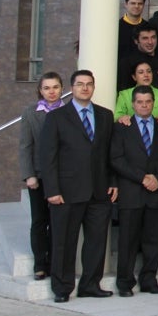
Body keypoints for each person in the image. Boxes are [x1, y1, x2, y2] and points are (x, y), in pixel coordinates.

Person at [37, 70, 117, 303]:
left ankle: (90, 284)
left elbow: (109, 154)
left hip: (99, 191)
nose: (85, 88)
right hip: (66, 192)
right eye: (80, 84)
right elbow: (47, 157)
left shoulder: (105, 116)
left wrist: (112, 182)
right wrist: (52, 190)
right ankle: (62, 288)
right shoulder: (57, 117)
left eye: (89, 84)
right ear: (72, 88)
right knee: (64, 242)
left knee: (96, 241)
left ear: (93, 87)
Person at [110, 86, 158, 296]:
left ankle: (149, 280)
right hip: (132, 193)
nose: (144, 105)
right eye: (140, 102)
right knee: (127, 241)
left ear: (153, 103)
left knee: (154, 241)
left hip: (156, 193)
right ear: (133, 104)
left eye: (148, 101)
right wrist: (141, 177)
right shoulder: (121, 128)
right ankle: (125, 283)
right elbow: (116, 159)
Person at [19, 71, 62, 280]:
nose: (51, 92)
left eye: (55, 87)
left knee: (57, 221)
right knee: (39, 220)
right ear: (40, 90)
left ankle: (55, 262)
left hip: (62, 176)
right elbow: (25, 146)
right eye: (46, 88)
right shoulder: (30, 113)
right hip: (38, 175)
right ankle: (40, 263)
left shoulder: (68, 111)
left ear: (61, 88)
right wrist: (29, 175)